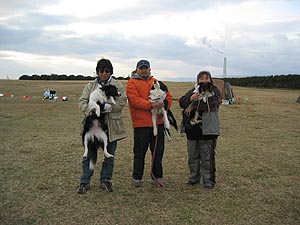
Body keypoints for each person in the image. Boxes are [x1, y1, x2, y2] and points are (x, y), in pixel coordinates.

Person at [76, 58, 127, 193]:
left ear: (111, 72)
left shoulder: (118, 85)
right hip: (93, 124)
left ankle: (105, 180)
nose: (104, 73)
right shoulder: (90, 86)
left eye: (107, 71)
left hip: (111, 125)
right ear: (97, 72)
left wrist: (107, 107)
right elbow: (82, 102)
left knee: (109, 154)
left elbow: (121, 102)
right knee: (89, 154)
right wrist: (91, 109)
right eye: (101, 71)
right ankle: (85, 181)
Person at [126, 59, 173, 188]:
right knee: (139, 152)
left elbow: (168, 96)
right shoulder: (131, 83)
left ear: (150, 69)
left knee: (158, 152)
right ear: (137, 70)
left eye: (146, 68)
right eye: (141, 68)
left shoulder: (156, 82)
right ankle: (137, 177)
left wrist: (164, 105)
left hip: (158, 123)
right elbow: (134, 100)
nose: (144, 70)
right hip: (141, 124)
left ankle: (157, 176)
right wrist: (151, 105)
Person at [179, 71, 222, 189]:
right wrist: (190, 99)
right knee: (193, 157)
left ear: (210, 80)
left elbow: (214, 103)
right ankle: (194, 178)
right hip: (192, 130)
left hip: (208, 131)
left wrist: (193, 104)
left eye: (206, 78)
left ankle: (208, 181)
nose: (203, 81)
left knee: (207, 157)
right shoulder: (193, 91)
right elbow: (182, 102)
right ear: (197, 80)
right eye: (201, 78)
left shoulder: (215, 91)